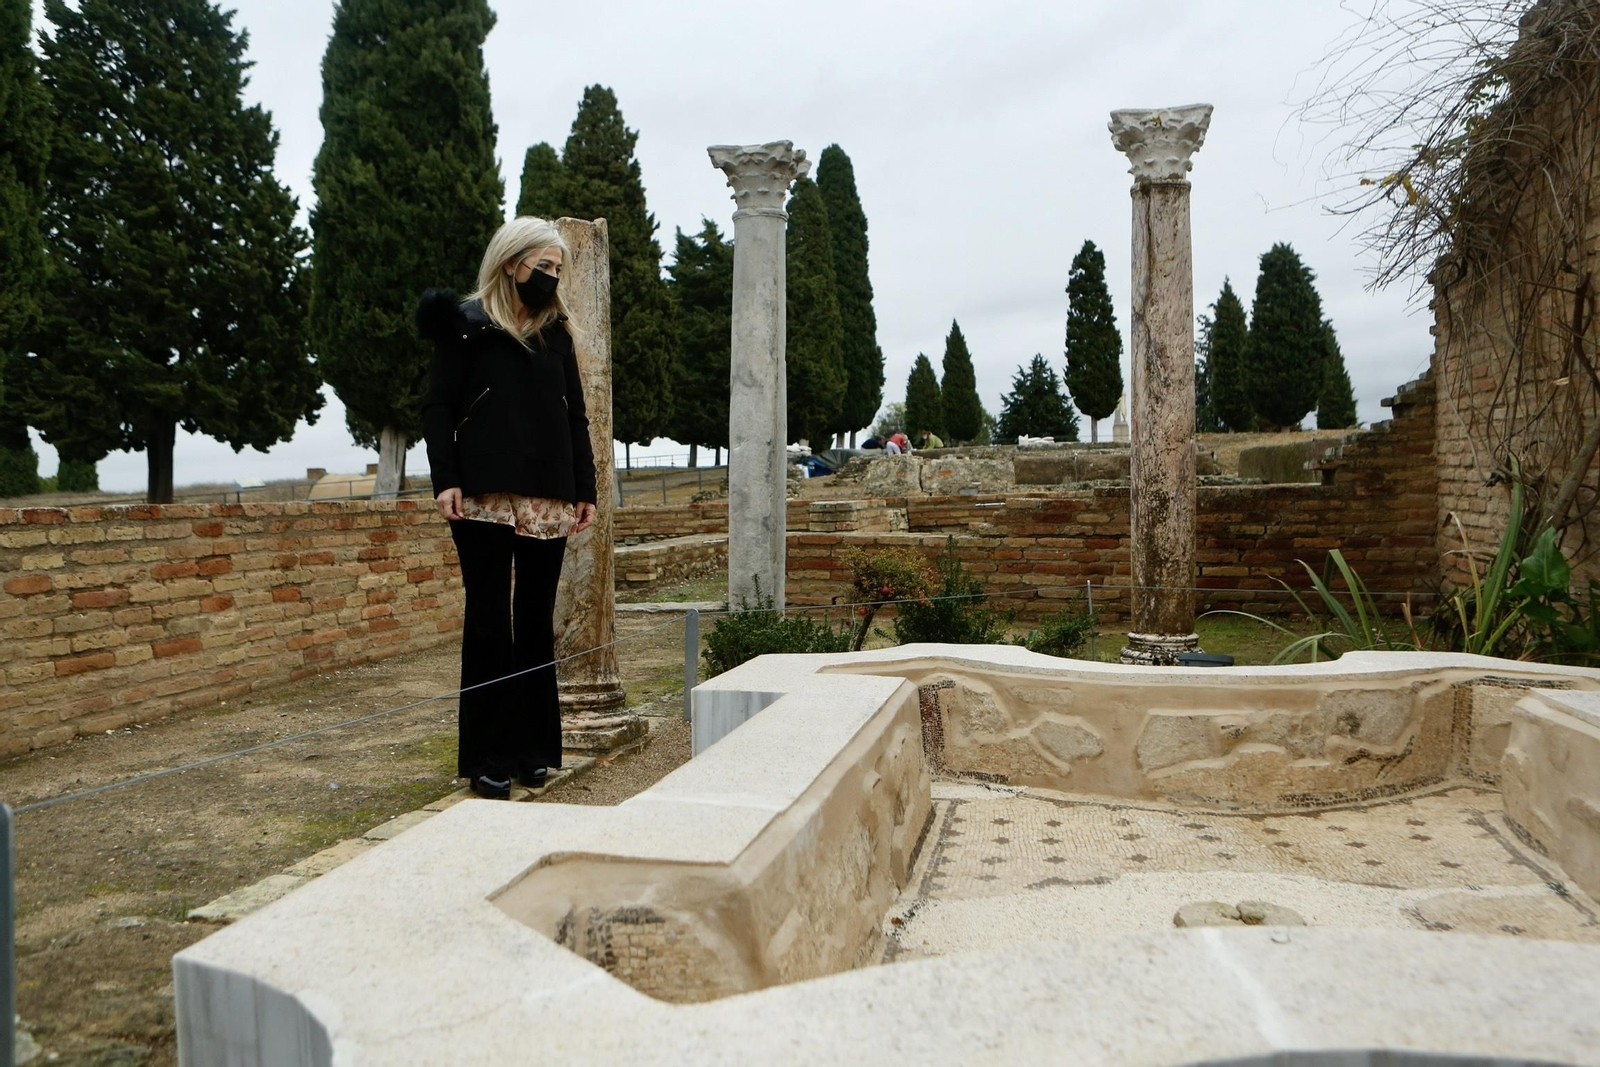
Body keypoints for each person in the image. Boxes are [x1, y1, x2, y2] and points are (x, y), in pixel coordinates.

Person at [415, 216, 598, 800]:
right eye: (541, 266)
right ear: (510, 261)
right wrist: (445, 477)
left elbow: (575, 415)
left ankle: (533, 748)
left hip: (548, 493)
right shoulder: (464, 326)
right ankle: (486, 757)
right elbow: (438, 406)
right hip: (483, 493)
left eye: (556, 268)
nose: (549, 277)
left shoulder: (557, 335)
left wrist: (586, 489)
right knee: (489, 619)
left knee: (535, 621)